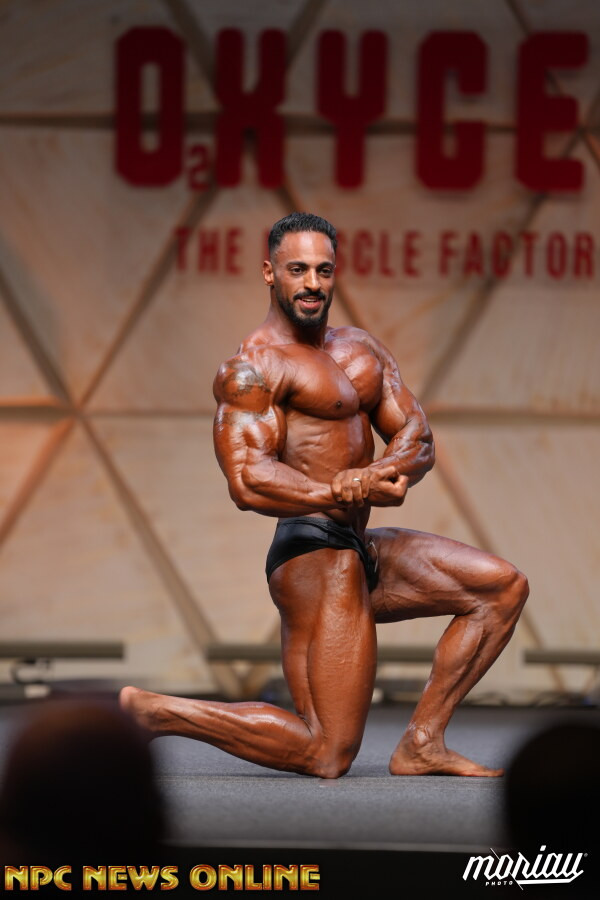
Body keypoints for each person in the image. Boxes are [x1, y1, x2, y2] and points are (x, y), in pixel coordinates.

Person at [121, 212, 529, 778]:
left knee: (501, 589)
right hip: (314, 555)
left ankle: (422, 743)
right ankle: (157, 712)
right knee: (327, 751)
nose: (312, 283)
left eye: (323, 270)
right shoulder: (254, 367)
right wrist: (333, 488)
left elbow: (417, 435)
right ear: (270, 273)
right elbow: (247, 478)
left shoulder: (360, 348)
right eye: (297, 270)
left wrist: (379, 471)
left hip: (360, 542)